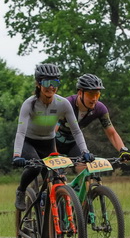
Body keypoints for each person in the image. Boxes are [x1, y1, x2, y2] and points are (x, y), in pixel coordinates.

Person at [12, 63, 94, 211]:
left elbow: (76, 131)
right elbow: (20, 132)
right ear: (38, 84)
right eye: (46, 83)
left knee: (57, 178)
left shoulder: (63, 104)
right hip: (29, 142)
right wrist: (17, 155)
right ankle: (21, 190)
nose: (51, 87)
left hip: (48, 143)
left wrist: (85, 151)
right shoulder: (29, 104)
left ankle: (52, 213)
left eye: (55, 83)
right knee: (35, 167)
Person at [56, 73, 130, 163]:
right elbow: (52, 131)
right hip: (53, 141)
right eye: (90, 95)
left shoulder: (100, 109)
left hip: (73, 143)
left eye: (97, 95)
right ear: (80, 93)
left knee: (85, 166)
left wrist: (123, 150)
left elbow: (112, 133)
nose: (94, 99)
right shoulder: (66, 104)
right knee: (55, 169)